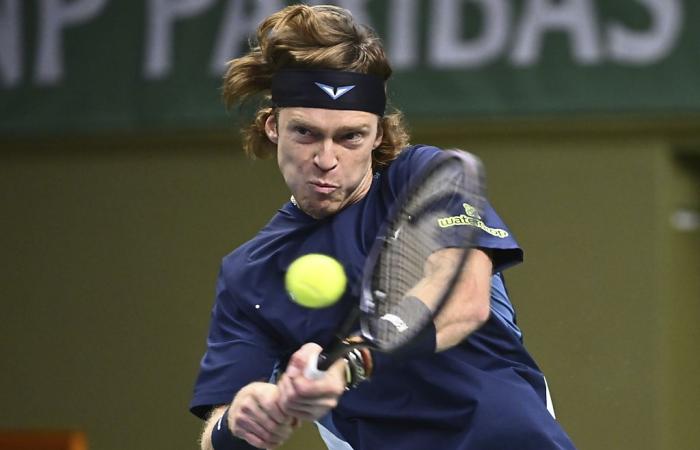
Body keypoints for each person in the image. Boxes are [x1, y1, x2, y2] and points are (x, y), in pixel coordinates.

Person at [190, 4, 576, 450]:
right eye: (306, 133)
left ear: (377, 135)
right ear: (273, 126)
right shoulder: (248, 274)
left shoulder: (426, 178)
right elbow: (218, 430)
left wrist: (349, 362)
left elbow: (465, 300)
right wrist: (239, 420)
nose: (326, 159)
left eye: (350, 136)